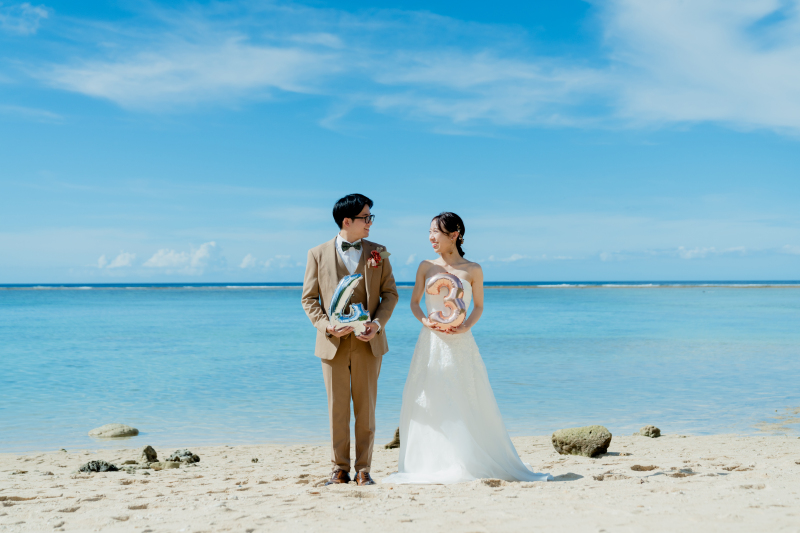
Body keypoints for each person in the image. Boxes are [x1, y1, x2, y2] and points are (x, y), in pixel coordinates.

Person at [384, 212, 551, 484]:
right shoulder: (426, 266)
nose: (430, 238)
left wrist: (465, 326)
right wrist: (426, 321)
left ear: (454, 234)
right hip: (431, 341)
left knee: (465, 397)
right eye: (429, 232)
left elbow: (479, 306)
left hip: (461, 342)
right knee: (429, 397)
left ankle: (467, 457)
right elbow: (414, 303)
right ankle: (429, 460)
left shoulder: (473, 269)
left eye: (436, 232)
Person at [301, 194, 399, 486]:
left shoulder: (378, 252)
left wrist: (377, 323)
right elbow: (308, 299)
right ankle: (339, 468)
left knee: (366, 408)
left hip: (369, 343)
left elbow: (390, 294)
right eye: (365, 217)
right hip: (333, 344)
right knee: (337, 409)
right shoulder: (317, 254)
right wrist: (327, 326)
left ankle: (364, 469)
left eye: (370, 217)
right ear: (348, 221)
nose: (370, 223)